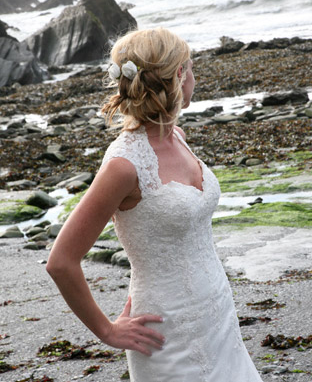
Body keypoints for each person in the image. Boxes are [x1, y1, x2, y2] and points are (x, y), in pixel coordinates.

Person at [46, 27, 263, 380]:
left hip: (217, 311)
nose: (194, 75)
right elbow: (61, 262)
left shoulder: (177, 135)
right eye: (190, 67)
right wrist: (108, 331)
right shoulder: (124, 165)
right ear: (179, 75)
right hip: (164, 330)